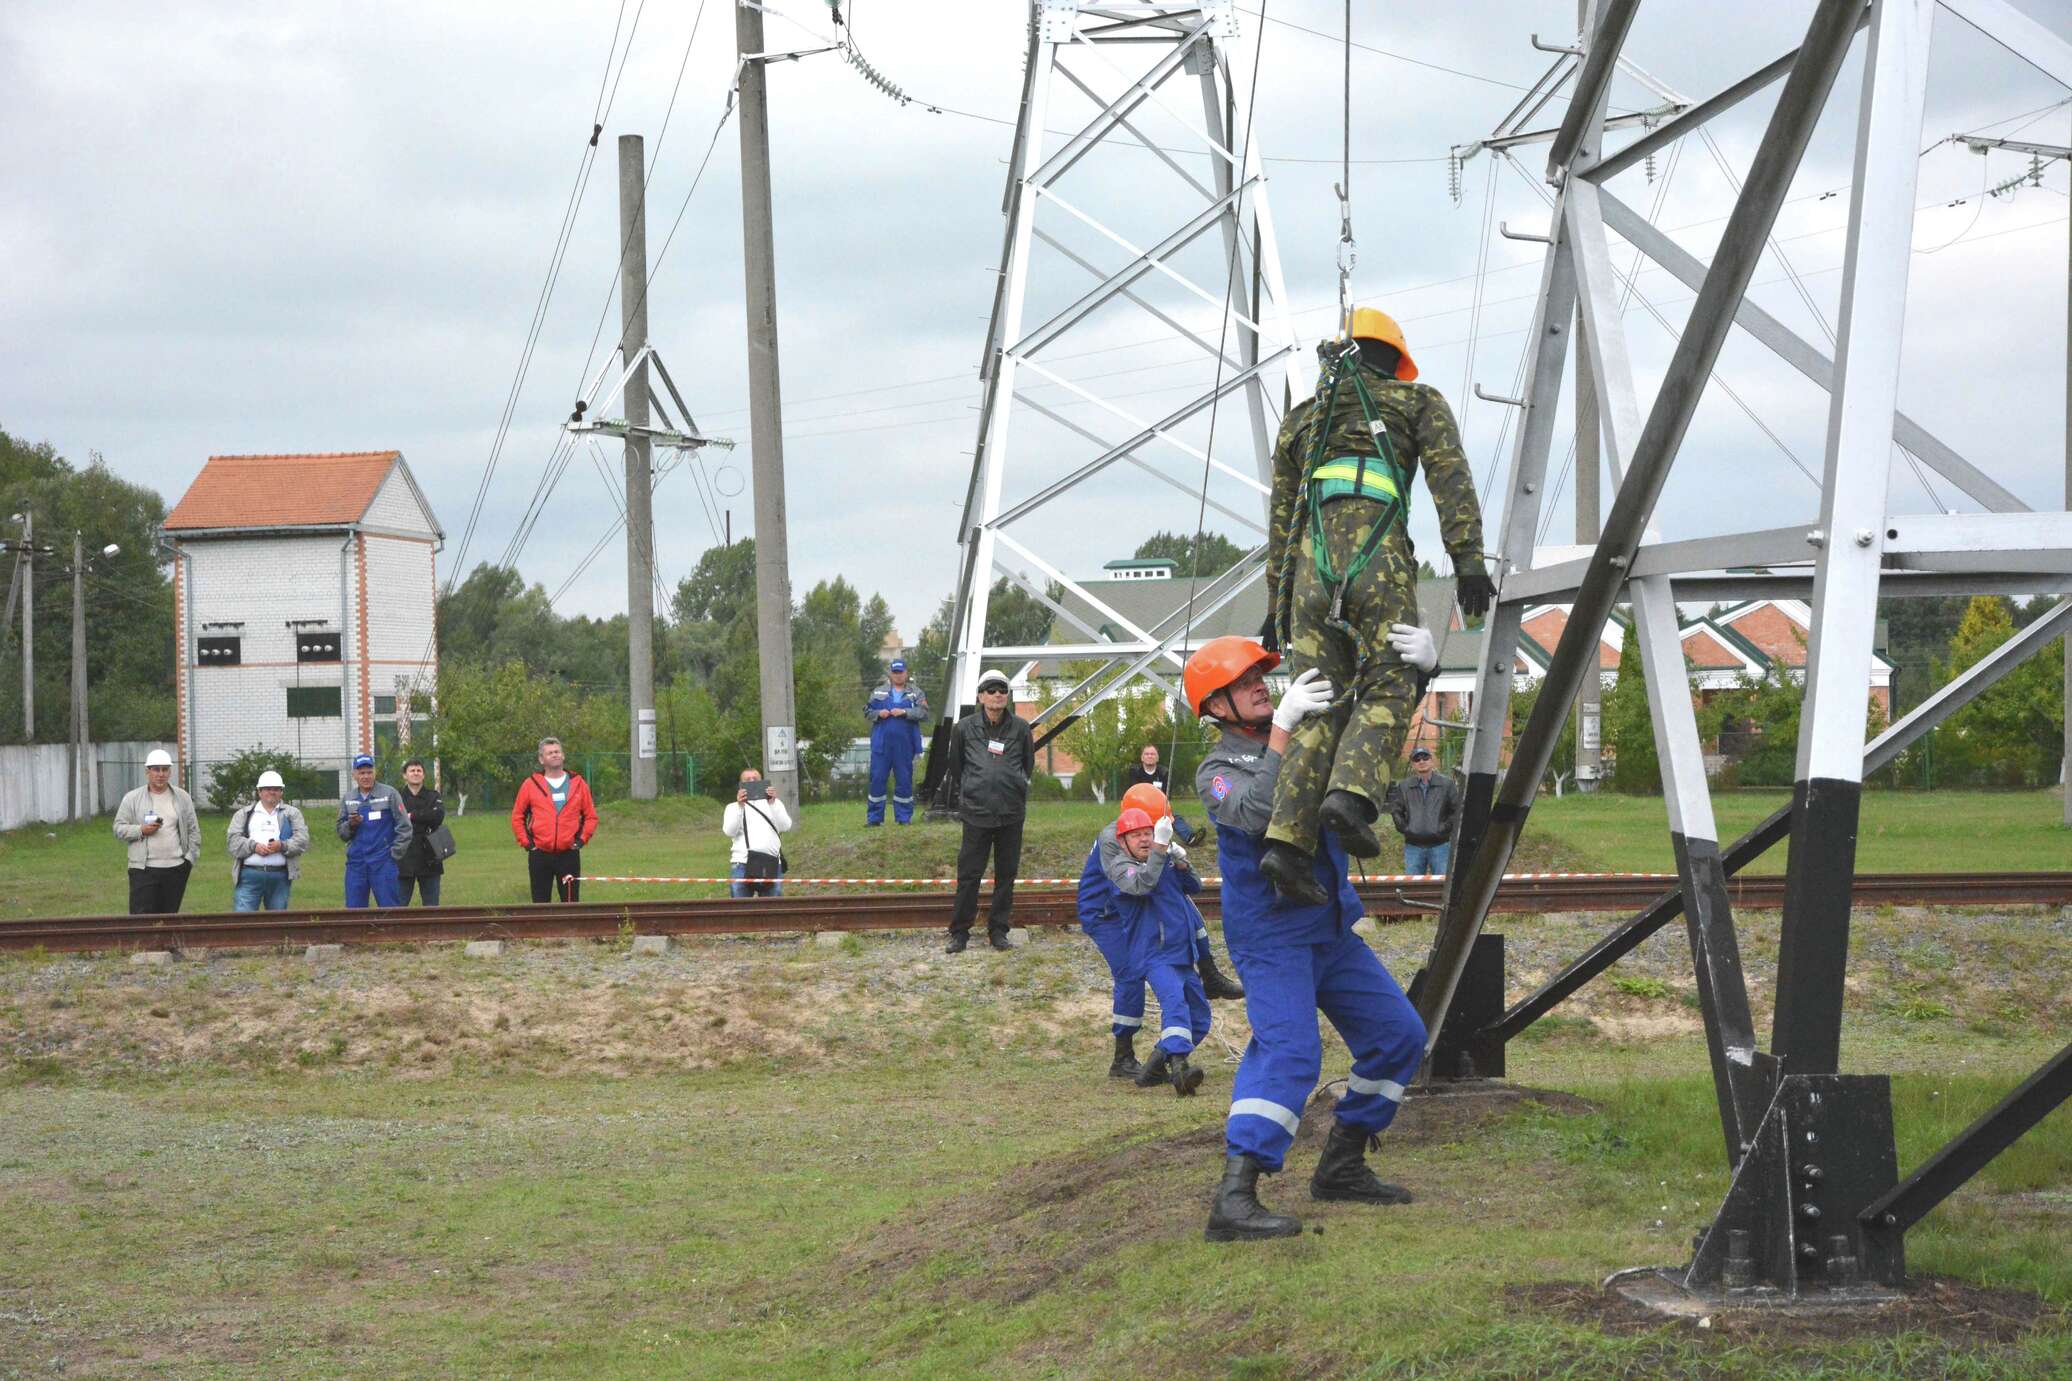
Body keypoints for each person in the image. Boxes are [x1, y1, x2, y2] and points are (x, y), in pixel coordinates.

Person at [1185, 631, 1436, 1243]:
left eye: (1259, 677)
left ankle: (1342, 1163)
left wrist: (1420, 677)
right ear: (1216, 707)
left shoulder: (1309, 732)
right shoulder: (1217, 770)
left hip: (1327, 927)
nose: (1260, 686)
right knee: (1291, 1053)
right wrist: (1282, 733)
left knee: (1399, 1035)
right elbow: (1252, 812)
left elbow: (1369, 736)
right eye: (1244, 683)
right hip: (1271, 937)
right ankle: (1235, 1197)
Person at [1257, 306, 1493, 905]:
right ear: (1395, 361)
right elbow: (1449, 478)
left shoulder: (1302, 421)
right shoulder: (1417, 403)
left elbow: (1281, 520)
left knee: (1315, 699)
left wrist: (1275, 605)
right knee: (1392, 682)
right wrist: (1468, 561)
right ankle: (1351, 796)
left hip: (1310, 570)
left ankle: (1286, 844)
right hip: (1378, 555)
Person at [1075, 785, 1242, 1082]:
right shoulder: (1112, 839)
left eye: (1154, 827)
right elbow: (1136, 884)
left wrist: (1179, 859)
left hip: (1140, 901)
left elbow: (1182, 884)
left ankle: (1210, 972)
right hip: (1109, 911)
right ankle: (1123, 1056)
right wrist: (1161, 852)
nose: (1150, 834)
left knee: (1184, 906)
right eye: (1146, 829)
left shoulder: (1143, 830)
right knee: (1129, 972)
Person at [1105, 804, 1211, 1096]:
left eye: (1148, 833)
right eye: (1135, 834)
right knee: (1176, 1007)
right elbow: (1143, 884)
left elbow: (1194, 887)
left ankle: (1153, 1067)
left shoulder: (1159, 859)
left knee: (1200, 1017)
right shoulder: (1120, 868)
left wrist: (1181, 863)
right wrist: (1161, 850)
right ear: (1122, 841)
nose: (1144, 839)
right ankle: (1180, 1070)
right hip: (1155, 956)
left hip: (1182, 955)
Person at [942, 668, 1034, 953]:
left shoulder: (1020, 729)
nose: (997, 695)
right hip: (977, 813)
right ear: (981, 696)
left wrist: (1014, 786)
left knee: (1006, 875)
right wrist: (974, 789)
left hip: (1010, 813)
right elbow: (957, 766)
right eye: (991, 690)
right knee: (969, 875)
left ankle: (998, 930)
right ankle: (960, 932)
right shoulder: (964, 729)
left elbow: (1027, 765)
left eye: (1002, 690)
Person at [510, 736, 598, 903]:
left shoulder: (578, 784)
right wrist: (528, 844)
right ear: (541, 759)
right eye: (550, 753)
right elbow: (517, 816)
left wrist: (580, 841)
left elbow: (591, 816)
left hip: (569, 854)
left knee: (571, 902)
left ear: (563, 755)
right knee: (540, 903)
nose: (555, 755)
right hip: (540, 853)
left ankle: (571, 929)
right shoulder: (530, 784)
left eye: (557, 751)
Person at [112, 748, 200, 915]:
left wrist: (189, 859)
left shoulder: (182, 797)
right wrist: (141, 830)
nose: (161, 774)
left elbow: (193, 830)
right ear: (147, 772)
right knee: (142, 919)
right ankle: (143, 943)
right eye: (156, 769)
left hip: (176, 869)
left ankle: (165, 943)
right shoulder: (132, 798)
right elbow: (118, 828)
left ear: (170, 772)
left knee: (169, 918)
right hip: (143, 869)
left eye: (165, 769)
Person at [336, 753, 411, 908]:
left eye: (369, 772)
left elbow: (405, 827)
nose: (366, 776)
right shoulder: (348, 798)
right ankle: (359, 933)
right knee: (354, 909)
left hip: (383, 861)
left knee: (389, 909)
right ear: (354, 775)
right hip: (356, 862)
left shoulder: (389, 794)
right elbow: (341, 833)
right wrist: (351, 824)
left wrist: (394, 853)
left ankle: (391, 933)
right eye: (362, 773)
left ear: (375, 773)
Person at [228, 769, 308, 911]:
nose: (272, 792)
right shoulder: (244, 814)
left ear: (281, 792)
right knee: (243, 922)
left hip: (280, 877)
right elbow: (233, 843)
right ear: (259, 791)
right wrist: (254, 846)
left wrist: (282, 846)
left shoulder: (292, 814)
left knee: (277, 924)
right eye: (268, 789)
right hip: (249, 875)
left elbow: (302, 841)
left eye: (276, 789)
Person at [863, 658, 929, 826]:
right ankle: (874, 819)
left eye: (901, 672)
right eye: (895, 672)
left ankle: (903, 818)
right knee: (877, 779)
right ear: (891, 674)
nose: (898, 676)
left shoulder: (916, 693)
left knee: (904, 780)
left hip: (905, 747)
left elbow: (924, 713)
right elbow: (867, 711)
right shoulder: (878, 692)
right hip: (881, 745)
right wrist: (878, 713)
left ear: (906, 673)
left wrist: (905, 712)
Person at [1386, 747, 1459, 877]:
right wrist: (1406, 829)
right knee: (1413, 887)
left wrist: (1443, 829)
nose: (1421, 761)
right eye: (1417, 759)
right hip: (1413, 846)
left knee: (1442, 885)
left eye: (1425, 757)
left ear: (1432, 760)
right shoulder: (1404, 786)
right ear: (1413, 764)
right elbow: (1396, 810)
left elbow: (1457, 810)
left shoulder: (1447, 784)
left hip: (1440, 845)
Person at [724, 768, 793, 898]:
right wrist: (740, 806)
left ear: (762, 782)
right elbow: (729, 831)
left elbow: (786, 826)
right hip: (741, 863)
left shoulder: (775, 804)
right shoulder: (732, 807)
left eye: (755, 779)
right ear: (740, 784)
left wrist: (772, 803)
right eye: (747, 780)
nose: (752, 781)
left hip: (770, 863)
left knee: (771, 909)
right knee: (740, 909)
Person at [395, 758, 446, 905]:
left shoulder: (433, 795)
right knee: (398, 906)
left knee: (431, 907)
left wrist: (411, 815)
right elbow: (395, 819)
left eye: (419, 770)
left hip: (430, 856)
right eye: (412, 770)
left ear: (423, 775)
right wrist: (424, 815)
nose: (415, 773)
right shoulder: (396, 797)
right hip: (403, 857)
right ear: (405, 775)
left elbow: (437, 817)